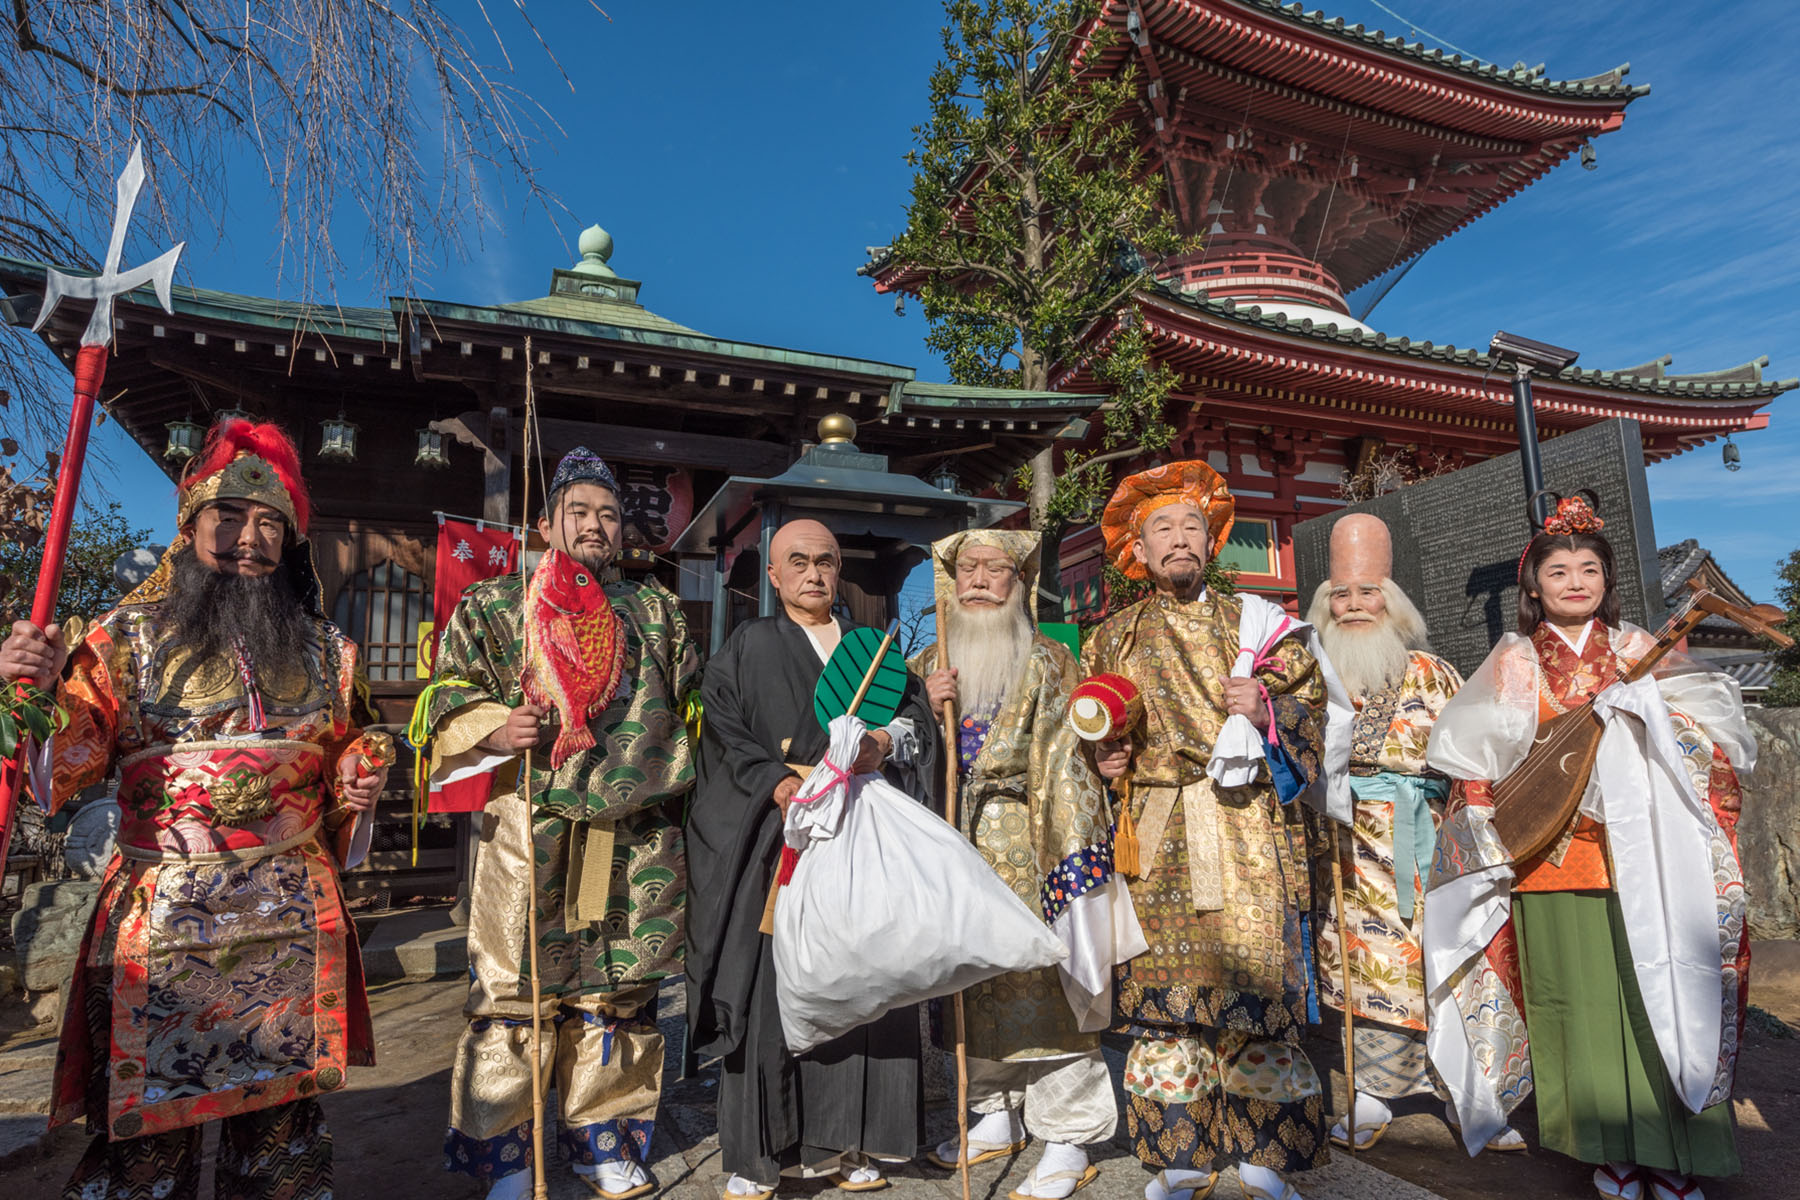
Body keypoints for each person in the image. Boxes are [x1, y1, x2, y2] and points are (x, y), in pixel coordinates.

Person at [0, 420, 391, 1200]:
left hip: (289, 922)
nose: (252, 539)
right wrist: (28, 687)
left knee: (281, 1137)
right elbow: (59, 763)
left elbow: (345, 746)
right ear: (189, 525)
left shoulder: (326, 650)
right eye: (232, 518)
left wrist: (358, 773)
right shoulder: (123, 642)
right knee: (148, 1141)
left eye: (272, 523)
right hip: (165, 920)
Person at [1423, 495, 1753, 1200]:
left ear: (1607, 580)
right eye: (1559, 571)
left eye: (1589, 569)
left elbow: (1712, 733)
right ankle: (1608, 1150)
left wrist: (1651, 716)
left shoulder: (1639, 649)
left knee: (1662, 995)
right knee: (1575, 1005)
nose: (1575, 581)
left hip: (1648, 860)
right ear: (1534, 588)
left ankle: (1675, 1152)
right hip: (1551, 857)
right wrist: (1483, 815)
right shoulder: (1513, 660)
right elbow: (1470, 756)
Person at [425, 447, 700, 1200]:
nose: (595, 525)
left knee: (619, 991)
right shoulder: (491, 605)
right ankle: (509, 1157)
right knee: (516, 995)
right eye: (578, 511)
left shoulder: (658, 612)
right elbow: (440, 695)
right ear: (545, 524)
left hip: (634, 829)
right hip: (527, 825)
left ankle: (601, 1140)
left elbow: (696, 712)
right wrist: (490, 727)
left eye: (608, 515)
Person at [1082, 462, 1348, 1200]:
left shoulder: (1263, 631)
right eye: (1161, 527)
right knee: (1164, 1007)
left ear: (1212, 541)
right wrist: (1104, 760)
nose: (1177, 539)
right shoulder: (1110, 639)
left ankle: (1268, 1151)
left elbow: (1319, 720)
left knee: (1256, 993)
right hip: (1158, 829)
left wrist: (1267, 713)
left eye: (1191, 526)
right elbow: (1091, 735)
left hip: (1244, 828)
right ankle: (1181, 1150)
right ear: (1138, 547)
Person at [686, 518, 939, 1199]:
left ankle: (856, 1141)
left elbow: (917, 722)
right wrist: (777, 781)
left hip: (862, 830)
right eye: (796, 561)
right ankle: (759, 1152)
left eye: (825, 561)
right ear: (773, 575)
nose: (814, 573)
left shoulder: (873, 650)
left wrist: (881, 745)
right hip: (783, 831)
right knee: (774, 988)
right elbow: (724, 728)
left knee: (866, 985)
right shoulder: (749, 645)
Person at [910, 530, 1133, 1200]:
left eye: (996, 569)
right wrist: (927, 704)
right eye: (967, 569)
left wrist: (1071, 871)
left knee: (1044, 983)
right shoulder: (926, 662)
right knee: (970, 984)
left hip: (1031, 841)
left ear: (1019, 582)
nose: (980, 580)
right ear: (950, 584)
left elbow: (1068, 765)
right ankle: (993, 1112)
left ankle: (1067, 1134)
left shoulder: (1049, 660)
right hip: (952, 842)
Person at [1303, 516, 1522, 1152]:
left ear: (1392, 601)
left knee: (1448, 961)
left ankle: (1465, 1091)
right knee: (1367, 968)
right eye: (1338, 595)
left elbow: (1475, 761)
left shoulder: (1435, 671)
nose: (1352, 606)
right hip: (1345, 845)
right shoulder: (1313, 674)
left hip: (1433, 841)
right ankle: (1374, 1092)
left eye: (1367, 592)